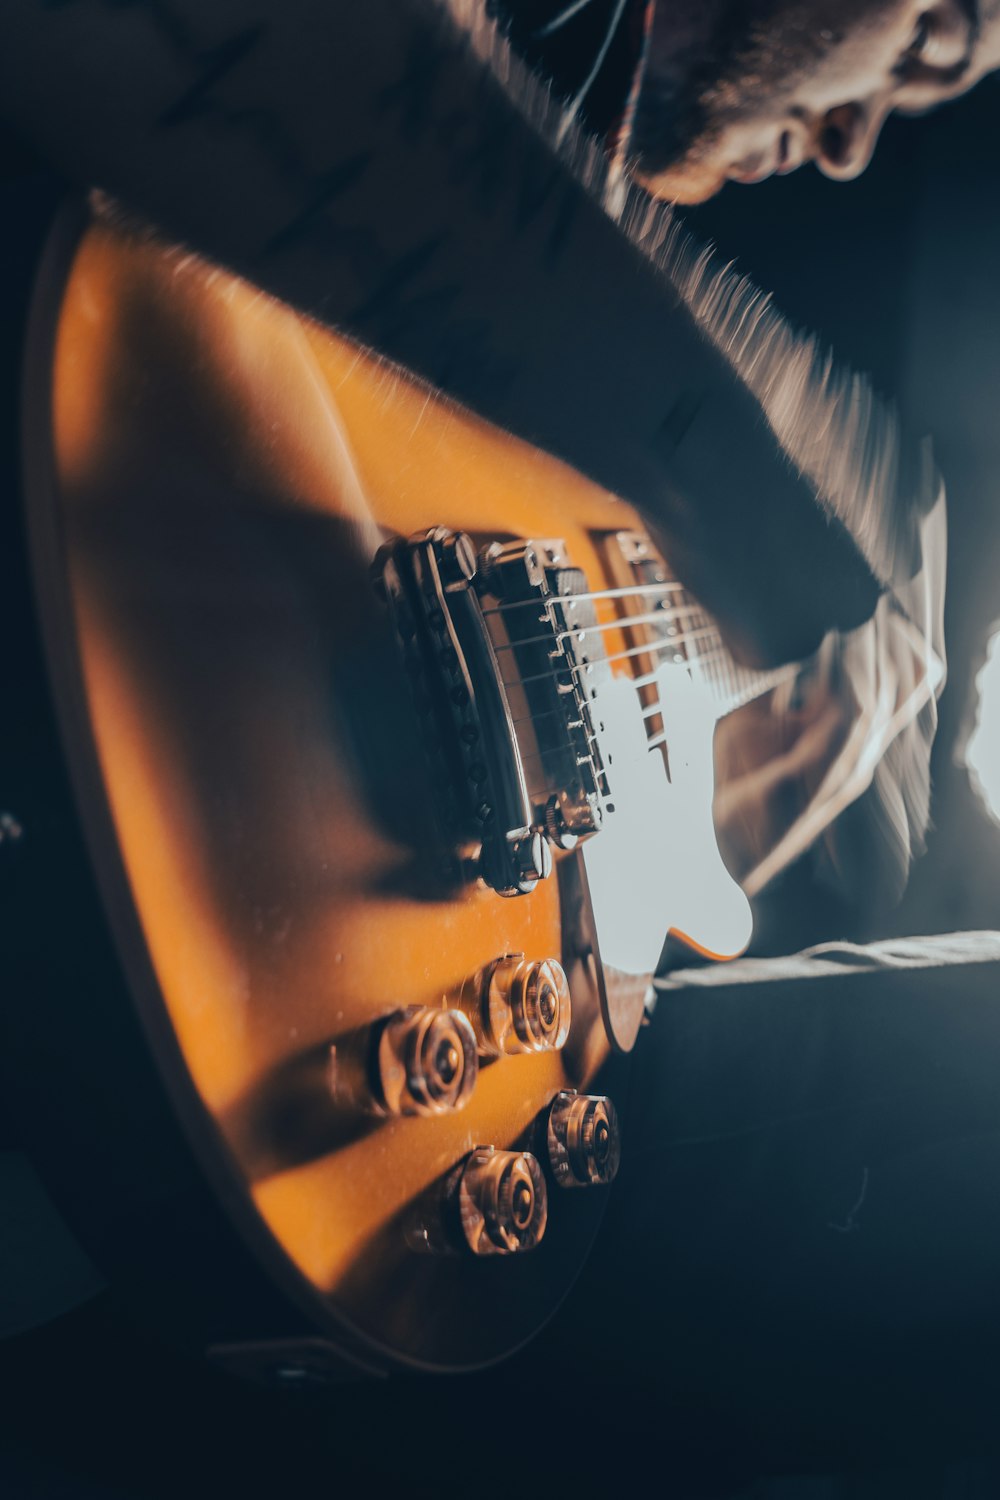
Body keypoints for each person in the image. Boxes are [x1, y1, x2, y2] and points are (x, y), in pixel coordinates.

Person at [0, 0, 968, 898]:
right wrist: (720, 464)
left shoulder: (574, 104)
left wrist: (658, 840)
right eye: (935, 33)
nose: (851, 142)